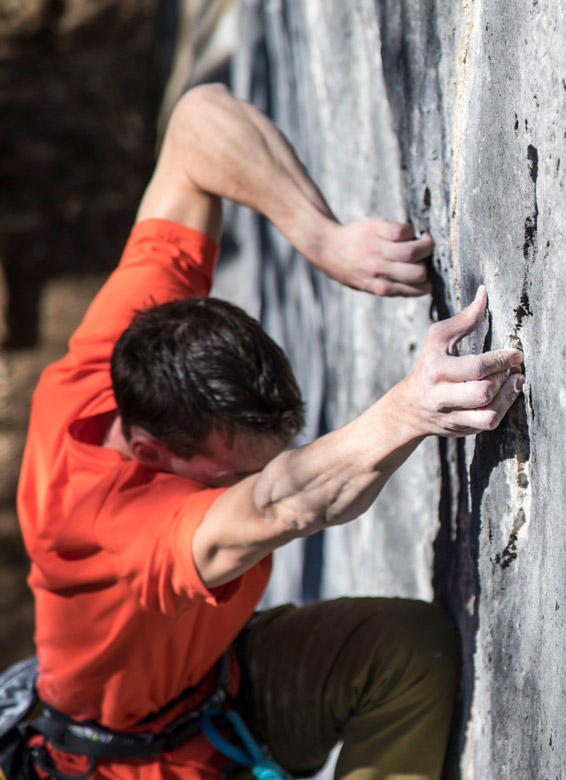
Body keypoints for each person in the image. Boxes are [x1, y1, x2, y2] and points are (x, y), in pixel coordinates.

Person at [15, 83, 524, 780]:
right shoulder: (116, 522)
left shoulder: (130, 352)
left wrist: (321, 236)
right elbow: (281, 503)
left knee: (404, 651)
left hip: (214, 691)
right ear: (151, 453)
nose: (254, 474)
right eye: (231, 471)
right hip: (130, 764)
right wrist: (409, 409)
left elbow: (197, 125)